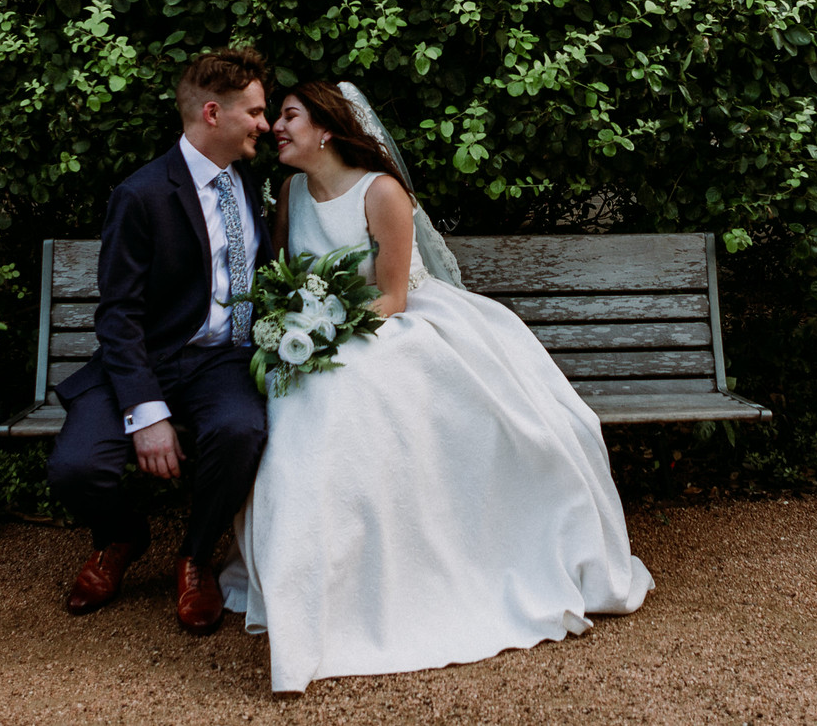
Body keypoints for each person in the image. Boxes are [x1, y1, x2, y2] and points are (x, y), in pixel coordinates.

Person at [219, 80, 653, 692]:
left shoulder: (381, 193)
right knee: (303, 405)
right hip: (317, 330)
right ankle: (313, 578)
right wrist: (296, 324)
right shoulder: (290, 192)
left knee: (354, 397)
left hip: (392, 324)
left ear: (326, 129)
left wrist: (326, 333)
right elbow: (290, 276)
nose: (276, 129)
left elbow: (394, 296)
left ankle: (405, 577)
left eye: (289, 116)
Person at [45, 47, 274, 635]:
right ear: (213, 114)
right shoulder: (141, 194)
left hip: (222, 361)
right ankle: (122, 536)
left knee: (240, 430)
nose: (265, 125)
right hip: (144, 359)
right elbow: (119, 314)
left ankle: (196, 556)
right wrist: (146, 411)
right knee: (74, 468)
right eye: (254, 112)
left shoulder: (250, 180)